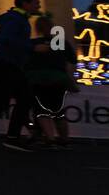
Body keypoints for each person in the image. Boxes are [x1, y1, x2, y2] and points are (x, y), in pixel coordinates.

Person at [0, 0, 42, 152]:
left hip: (8, 65)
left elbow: (5, 39)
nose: (39, 5)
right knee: (24, 99)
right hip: (8, 65)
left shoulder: (16, 19)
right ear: (25, 3)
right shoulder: (15, 19)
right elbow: (4, 39)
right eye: (36, 2)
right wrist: (32, 47)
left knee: (1, 101)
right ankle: (11, 137)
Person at [25, 14, 77, 148]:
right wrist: (69, 79)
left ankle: (50, 138)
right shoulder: (61, 42)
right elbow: (71, 62)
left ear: (37, 28)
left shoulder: (33, 44)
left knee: (41, 109)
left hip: (37, 78)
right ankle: (64, 139)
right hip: (58, 78)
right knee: (58, 110)